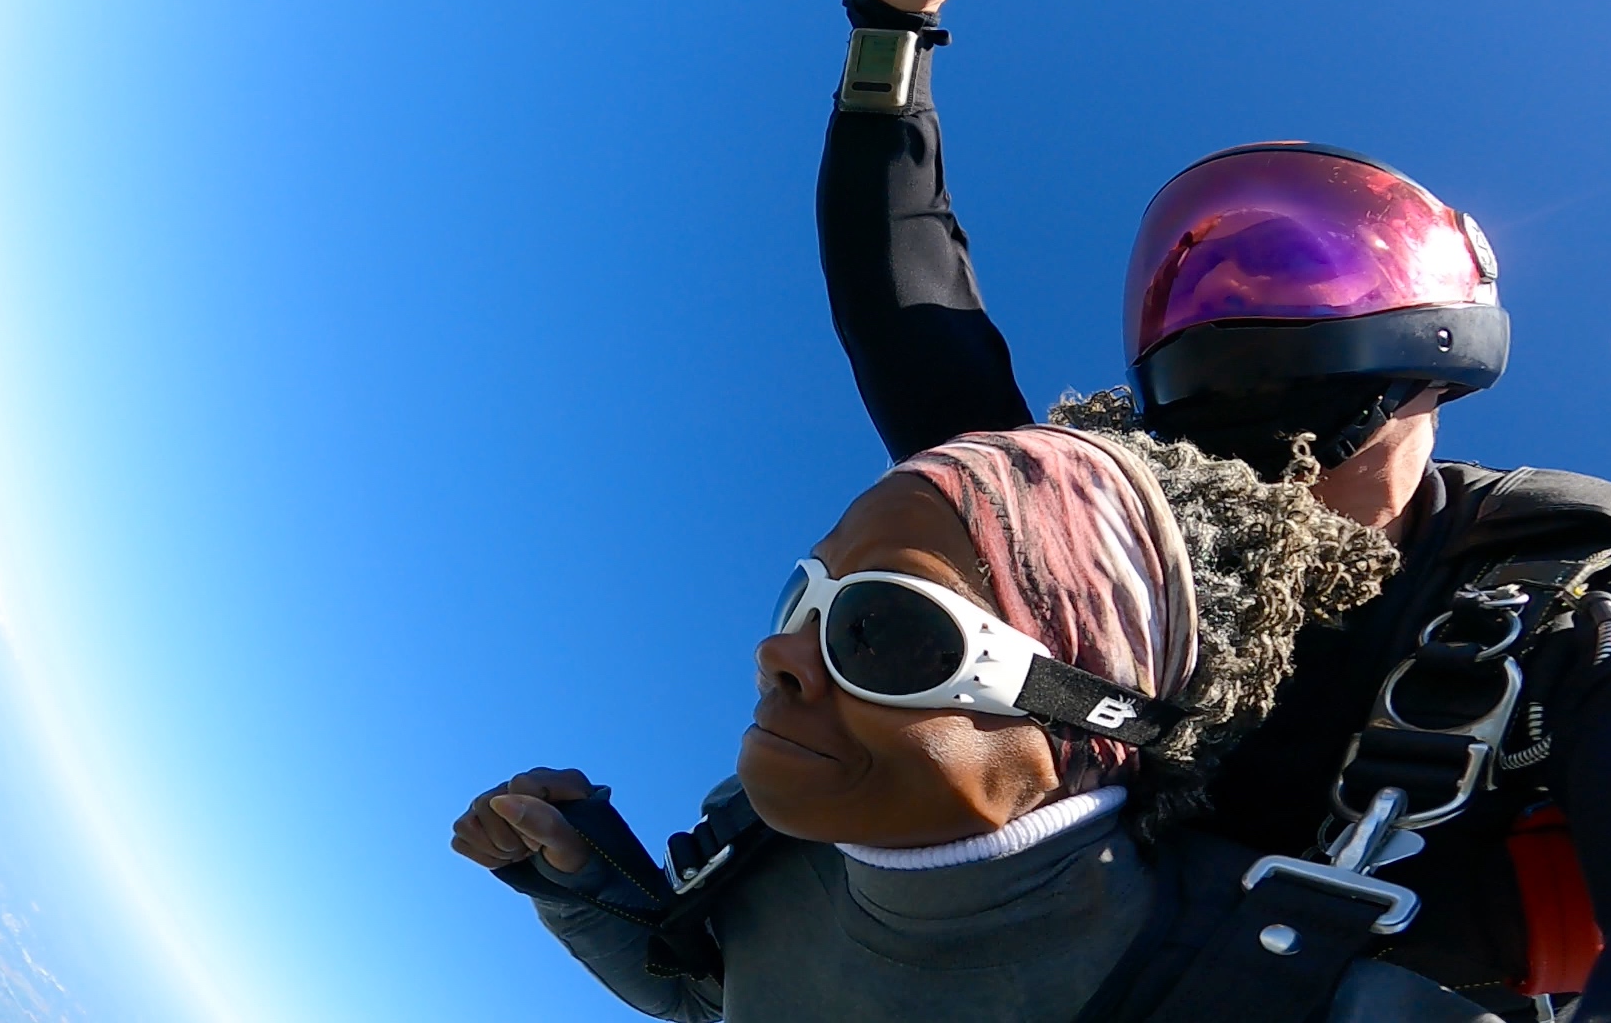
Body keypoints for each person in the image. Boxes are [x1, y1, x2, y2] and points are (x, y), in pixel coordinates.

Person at [817, 0, 1611, 1020]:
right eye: (1208, 287)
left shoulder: (1584, 604)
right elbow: (914, 336)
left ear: (1444, 332)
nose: (1249, 317)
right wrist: (890, 32)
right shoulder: (1119, 545)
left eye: (1304, 272)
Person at [452, 425, 1504, 1021]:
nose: (780, 654)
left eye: (880, 629)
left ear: (1088, 716)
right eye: (802, 600)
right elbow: (716, 1000)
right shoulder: (775, 854)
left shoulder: (1270, 991)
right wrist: (581, 884)